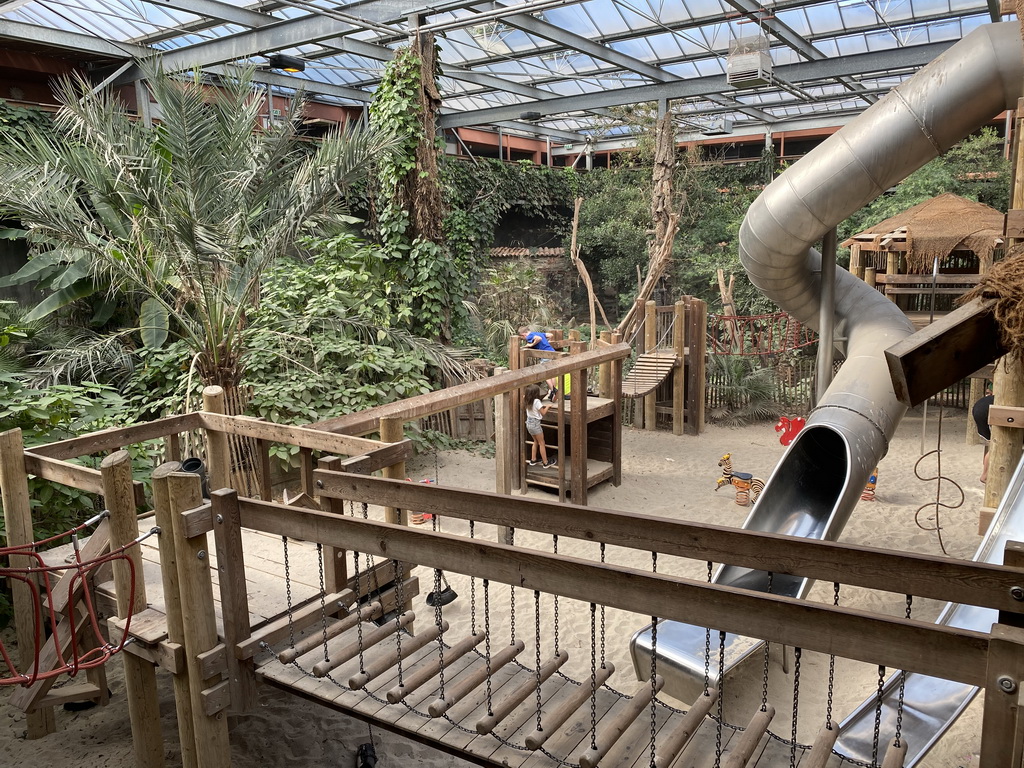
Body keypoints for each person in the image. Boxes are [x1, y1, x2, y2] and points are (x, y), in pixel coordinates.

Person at [518, 326, 558, 400]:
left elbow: (538, 339)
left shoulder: (529, 336)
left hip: (545, 355)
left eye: (522, 338)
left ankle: (553, 390)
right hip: (552, 352)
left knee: (545, 374)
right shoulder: (537, 333)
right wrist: (547, 342)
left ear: (523, 335)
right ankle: (554, 391)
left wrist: (531, 344)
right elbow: (550, 335)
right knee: (552, 373)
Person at [524, 383, 557, 468]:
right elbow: (543, 413)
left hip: (529, 423)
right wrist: (547, 407)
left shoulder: (526, 400)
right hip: (535, 424)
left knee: (535, 441)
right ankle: (545, 462)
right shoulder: (537, 402)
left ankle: (533, 459)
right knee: (542, 443)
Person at [973, 385, 994, 483]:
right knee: (997, 447)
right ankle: (985, 475)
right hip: (986, 410)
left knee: (994, 446)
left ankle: (985, 474)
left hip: (980, 407)